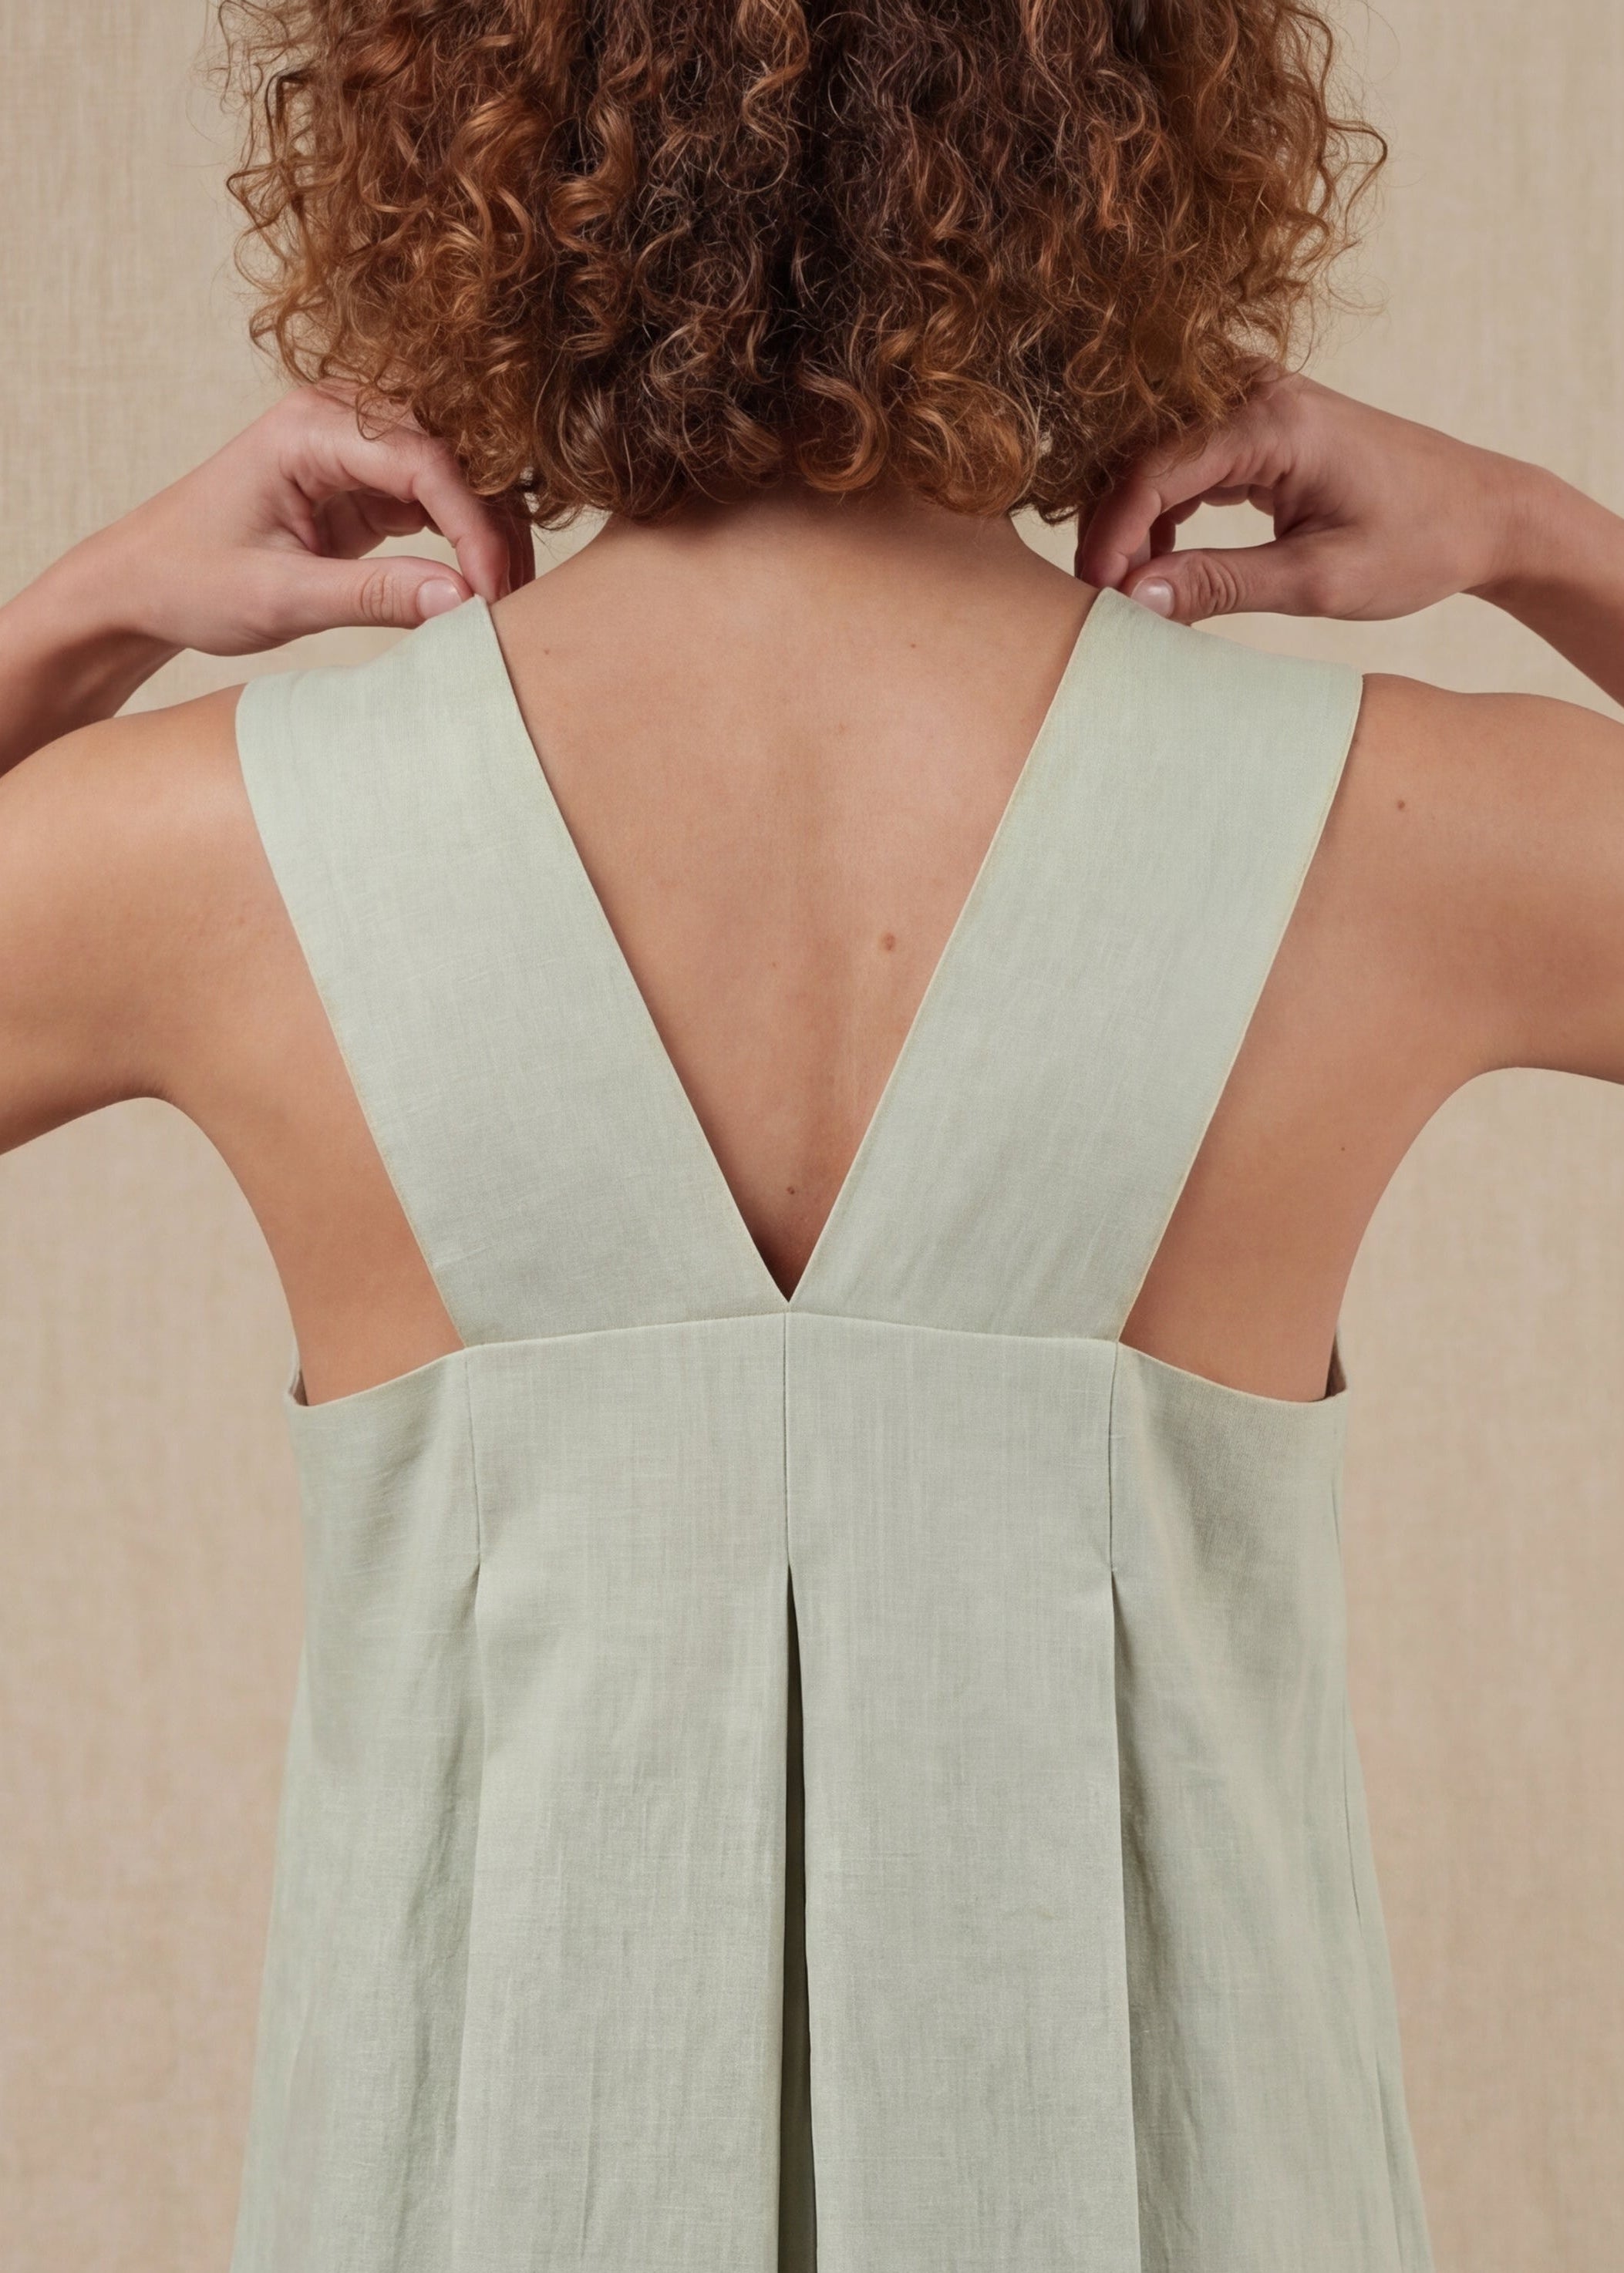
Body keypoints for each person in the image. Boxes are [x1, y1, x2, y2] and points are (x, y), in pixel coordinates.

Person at [4, 5, 1623, 2268]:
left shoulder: (224, 853)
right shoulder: (1390, 830)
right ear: (1130, 132)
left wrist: (79, 610)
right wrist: (1538, 538)